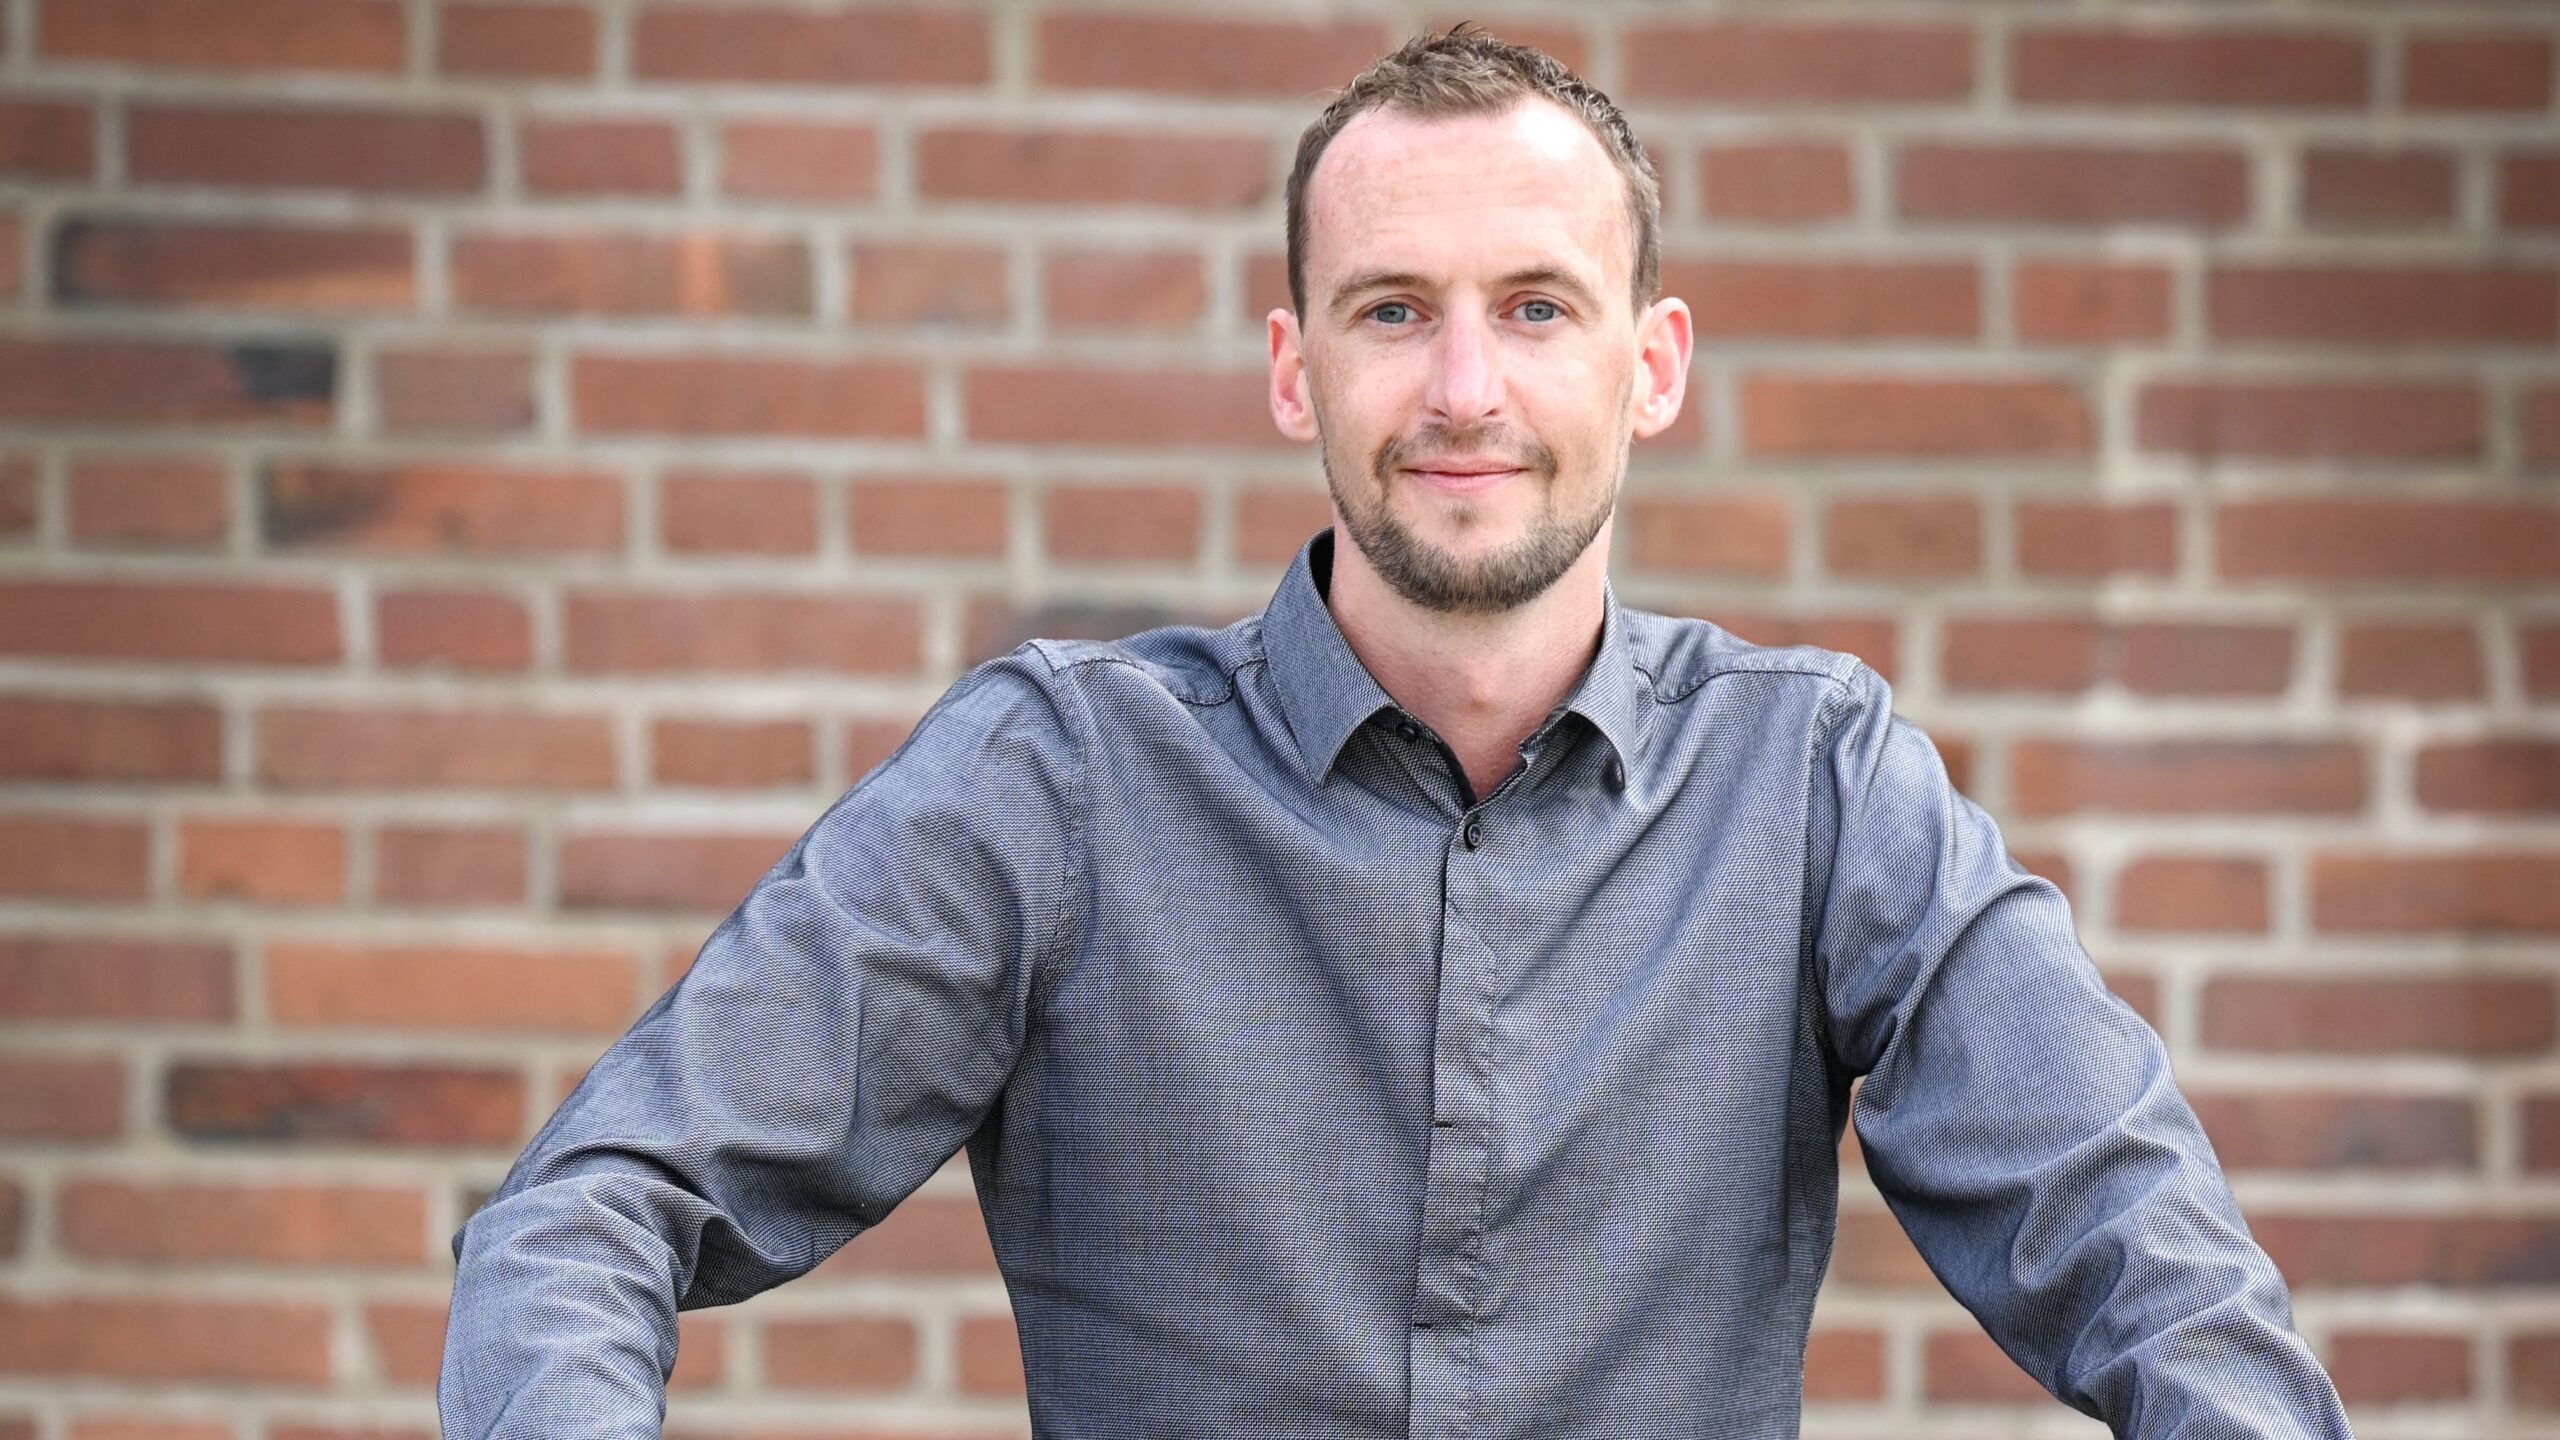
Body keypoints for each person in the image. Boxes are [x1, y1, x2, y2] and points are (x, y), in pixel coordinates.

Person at [441, 29, 2352, 1440]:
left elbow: (2140, 1256)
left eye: (1535, 308)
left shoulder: (1817, 787)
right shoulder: (1061, 782)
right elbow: (592, 1213)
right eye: (1390, 311)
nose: (1463, 387)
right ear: (1296, 369)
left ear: (1652, 364)